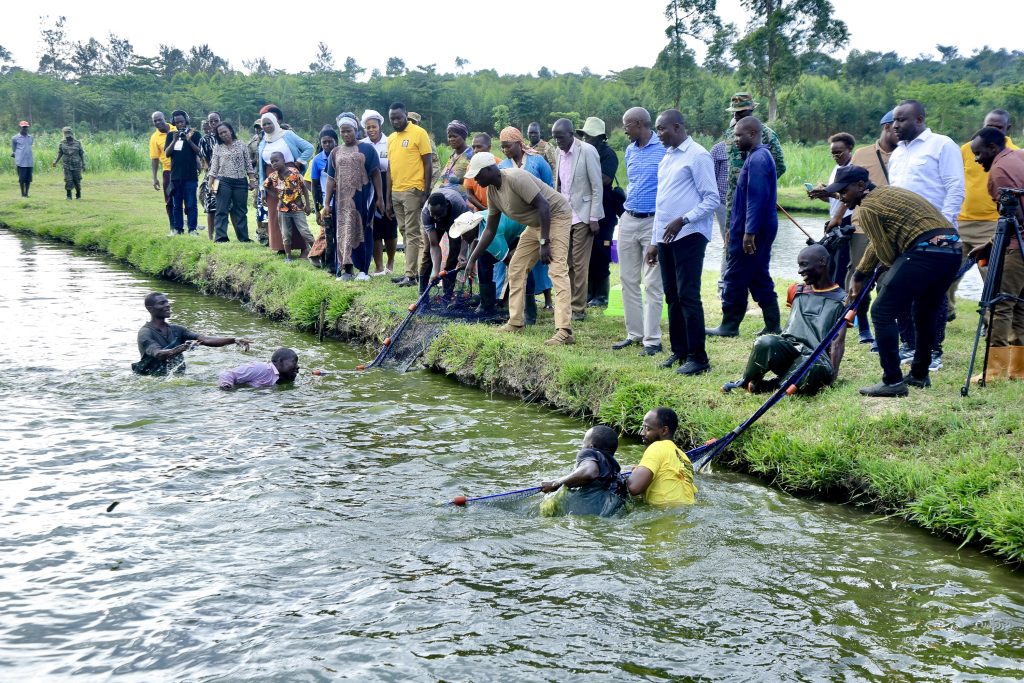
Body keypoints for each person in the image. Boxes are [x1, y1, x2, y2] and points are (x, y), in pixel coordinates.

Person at [836, 166, 962, 397]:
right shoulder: (889, 194)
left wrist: (877, 273)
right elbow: (877, 242)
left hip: (924, 251)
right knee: (924, 312)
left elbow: (886, 253)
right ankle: (919, 374)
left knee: (882, 311)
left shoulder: (869, 208)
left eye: (844, 191)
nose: (841, 197)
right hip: (952, 249)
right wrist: (859, 274)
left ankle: (893, 381)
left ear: (861, 186)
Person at [463, 152, 576, 345]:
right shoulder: (492, 192)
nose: (475, 179)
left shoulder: (516, 178)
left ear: (490, 170)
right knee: (515, 267)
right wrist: (472, 259)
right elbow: (489, 230)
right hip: (536, 224)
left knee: (557, 270)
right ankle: (515, 322)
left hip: (555, 217)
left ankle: (564, 331)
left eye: (478, 175)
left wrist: (544, 242)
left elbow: (544, 207)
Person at [889, 99, 965, 372]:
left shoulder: (942, 145)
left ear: (920, 119)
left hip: (935, 233)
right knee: (900, 290)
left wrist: (944, 229)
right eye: (895, 120)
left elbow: (955, 188)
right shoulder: (898, 152)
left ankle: (932, 352)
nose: (895, 125)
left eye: (902, 120)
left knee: (932, 295)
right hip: (902, 233)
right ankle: (909, 345)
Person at [644, 110, 719, 376]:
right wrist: (654, 241)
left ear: (677, 127)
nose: (658, 134)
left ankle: (699, 357)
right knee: (672, 296)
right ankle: (680, 351)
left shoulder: (698, 155)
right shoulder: (667, 157)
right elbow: (661, 203)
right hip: (666, 237)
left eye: (661, 129)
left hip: (689, 235)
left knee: (688, 296)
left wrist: (684, 220)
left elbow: (712, 199)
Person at [722, 244, 847, 395]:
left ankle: (771, 386)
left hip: (816, 360)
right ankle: (745, 381)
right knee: (765, 341)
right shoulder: (796, 290)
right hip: (788, 351)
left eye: (804, 265)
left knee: (812, 365)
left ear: (822, 262)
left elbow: (838, 342)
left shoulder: (843, 300)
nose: (800, 271)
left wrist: (832, 377)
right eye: (799, 265)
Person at [707, 117, 781, 338]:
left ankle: (729, 325)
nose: (735, 139)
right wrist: (733, 227)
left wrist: (749, 232)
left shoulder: (758, 159)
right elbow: (743, 200)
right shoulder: (756, 156)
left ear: (752, 133)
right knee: (758, 275)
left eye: (739, 135)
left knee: (735, 275)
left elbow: (756, 198)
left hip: (754, 229)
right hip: (751, 226)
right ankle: (773, 324)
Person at [966, 126, 1024, 380]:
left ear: (992, 148)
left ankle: (994, 371)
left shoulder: (998, 171)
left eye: (979, 154)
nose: (977, 160)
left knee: (999, 305)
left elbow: (1014, 218)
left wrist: (995, 243)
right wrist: (990, 243)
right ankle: (1019, 369)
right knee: (1020, 305)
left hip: (1015, 248)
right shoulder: (1019, 156)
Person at [951, 110, 1018, 311]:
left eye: (997, 127)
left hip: (992, 224)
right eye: (988, 125)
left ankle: (990, 319)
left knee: (992, 277)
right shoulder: (967, 150)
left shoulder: (1014, 154)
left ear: (1007, 129)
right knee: (948, 270)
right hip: (961, 221)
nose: (991, 130)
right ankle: (945, 312)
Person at [614, 107, 666, 356]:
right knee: (627, 279)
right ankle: (634, 333)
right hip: (629, 217)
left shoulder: (664, 148)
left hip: (653, 221)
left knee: (653, 282)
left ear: (638, 123)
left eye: (626, 125)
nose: (624, 129)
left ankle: (652, 340)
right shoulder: (630, 149)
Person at [845, 110, 899, 348]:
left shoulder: (908, 154)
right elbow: (847, 189)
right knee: (860, 276)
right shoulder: (863, 153)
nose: (900, 132)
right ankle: (863, 326)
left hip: (895, 229)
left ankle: (883, 331)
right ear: (887, 127)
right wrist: (839, 218)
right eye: (896, 126)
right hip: (862, 226)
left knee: (888, 281)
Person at [498, 126, 555, 322]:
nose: (505, 150)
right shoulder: (503, 165)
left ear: (518, 143)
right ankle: (517, 307)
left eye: (508, 146)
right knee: (517, 263)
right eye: (502, 147)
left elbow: (549, 188)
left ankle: (547, 299)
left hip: (538, 218)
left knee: (541, 261)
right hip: (515, 220)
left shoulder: (538, 162)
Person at [552, 118, 604, 322]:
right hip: (564, 215)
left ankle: (579, 309)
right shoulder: (558, 152)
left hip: (583, 214)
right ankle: (570, 303)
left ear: (571, 134)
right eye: (555, 138)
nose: (558, 142)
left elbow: (597, 185)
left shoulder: (587, 150)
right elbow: (559, 185)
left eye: (561, 137)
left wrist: (594, 217)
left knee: (580, 263)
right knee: (567, 262)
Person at [323, 115, 384, 280]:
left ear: (356, 131)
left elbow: (376, 174)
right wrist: (326, 203)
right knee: (343, 231)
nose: (346, 135)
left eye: (349, 131)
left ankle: (363, 270)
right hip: (342, 201)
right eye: (343, 132)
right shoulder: (335, 152)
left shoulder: (367, 149)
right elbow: (330, 179)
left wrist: (380, 197)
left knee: (363, 230)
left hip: (363, 198)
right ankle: (346, 269)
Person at [133, 292, 250, 376]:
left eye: (167, 302)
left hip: (176, 377)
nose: (167, 305)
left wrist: (234, 340)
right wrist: (182, 348)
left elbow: (205, 340)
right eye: (162, 303)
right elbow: (159, 354)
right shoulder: (145, 333)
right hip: (152, 379)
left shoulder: (177, 330)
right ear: (150, 308)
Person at [385, 102, 433, 287]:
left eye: (398, 117)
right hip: (396, 191)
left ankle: (411, 275)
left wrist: (425, 192)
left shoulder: (419, 133)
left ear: (406, 115)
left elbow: (427, 163)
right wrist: (389, 196)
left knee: (412, 232)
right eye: (392, 119)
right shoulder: (391, 138)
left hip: (413, 190)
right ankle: (411, 271)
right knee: (404, 231)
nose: (395, 121)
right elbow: (390, 168)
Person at [257, 110, 315, 255]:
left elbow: (309, 147)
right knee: (276, 214)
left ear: (276, 123)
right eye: (264, 124)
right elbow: (261, 167)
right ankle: (281, 247)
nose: (267, 126)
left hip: (290, 179)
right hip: (272, 181)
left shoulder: (287, 135)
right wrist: (262, 189)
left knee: (296, 211)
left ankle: (303, 248)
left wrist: (300, 162)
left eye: (269, 123)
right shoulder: (263, 141)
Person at [539, 425, 626, 517]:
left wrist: (555, 484)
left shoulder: (589, 452)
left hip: (590, 511)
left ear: (591, 446)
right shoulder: (615, 468)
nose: (582, 447)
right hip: (613, 512)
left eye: (584, 443)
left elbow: (590, 472)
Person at [722, 93, 786, 215]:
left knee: (755, 232)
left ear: (751, 110)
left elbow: (780, 166)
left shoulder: (767, 135)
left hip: (757, 199)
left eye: (740, 112)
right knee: (731, 233)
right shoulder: (730, 134)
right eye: (734, 112)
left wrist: (760, 183)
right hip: (734, 200)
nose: (736, 115)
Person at [581, 119, 620, 308]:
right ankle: (588, 292)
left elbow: (605, 179)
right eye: (584, 135)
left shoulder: (608, 154)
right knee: (587, 252)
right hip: (586, 210)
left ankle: (602, 295)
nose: (586, 139)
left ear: (599, 137)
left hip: (605, 212)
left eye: (589, 135)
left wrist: (583, 178)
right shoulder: (583, 153)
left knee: (602, 252)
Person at [808, 132, 856, 285]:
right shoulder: (837, 168)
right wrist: (820, 194)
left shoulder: (854, 169)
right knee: (832, 264)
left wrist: (838, 218)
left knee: (843, 265)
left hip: (847, 220)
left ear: (850, 148)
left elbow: (849, 198)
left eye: (839, 152)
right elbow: (832, 198)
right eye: (833, 153)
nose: (836, 156)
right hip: (835, 220)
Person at [625, 408, 698, 507]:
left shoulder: (656, 447)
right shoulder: (683, 457)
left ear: (664, 430)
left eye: (647, 428)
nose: (642, 433)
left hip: (665, 515)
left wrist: (635, 473)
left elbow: (634, 488)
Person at [360, 110, 398, 276]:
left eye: (373, 126)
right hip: (369, 186)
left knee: (389, 224)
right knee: (373, 226)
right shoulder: (361, 144)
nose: (371, 130)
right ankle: (378, 265)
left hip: (388, 183)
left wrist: (387, 197)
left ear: (380, 126)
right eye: (368, 127)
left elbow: (392, 168)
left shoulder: (390, 141)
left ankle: (390, 261)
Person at [207, 122, 256, 243]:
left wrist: (252, 180)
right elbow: (214, 167)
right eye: (220, 133)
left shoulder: (241, 145)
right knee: (221, 209)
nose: (223, 135)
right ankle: (221, 237)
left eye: (225, 132)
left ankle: (243, 238)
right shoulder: (218, 147)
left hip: (240, 182)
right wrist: (210, 184)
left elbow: (248, 164)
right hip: (223, 181)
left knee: (240, 210)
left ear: (231, 131)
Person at [420, 187, 470, 299]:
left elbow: (467, 235)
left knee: (455, 252)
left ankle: (447, 294)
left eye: (439, 214)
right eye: (434, 215)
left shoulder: (460, 208)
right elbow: (434, 245)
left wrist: (462, 253)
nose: (436, 218)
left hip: (454, 222)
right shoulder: (426, 214)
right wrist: (435, 271)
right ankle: (422, 295)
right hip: (437, 225)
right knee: (428, 252)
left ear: (446, 206)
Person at [265, 151, 315, 261]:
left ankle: (317, 253)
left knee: (305, 232)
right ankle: (288, 256)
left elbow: (304, 188)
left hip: (297, 208)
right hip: (282, 210)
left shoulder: (294, 173)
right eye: (272, 162)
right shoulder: (273, 176)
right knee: (286, 234)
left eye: (277, 160)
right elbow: (266, 186)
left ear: (283, 161)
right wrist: (274, 195)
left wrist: (307, 204)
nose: (274, 164)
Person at [164, 110, 203, 236]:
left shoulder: (195, 134)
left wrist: (189, 140)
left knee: (191, 203)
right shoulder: (171, 135)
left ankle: (192, 229)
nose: (180, 124)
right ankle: (178, 229)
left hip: (190, 175)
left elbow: (200, 152)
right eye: (176, 123)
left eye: (181, 121)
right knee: (176, 204)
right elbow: (167, 153)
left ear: (186, 120)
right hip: (175, 176)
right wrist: (174, 140)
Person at [218, 348, 299, 389]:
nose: (297, 366)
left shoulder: (280, 376)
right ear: (280, 361)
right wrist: (226, 388)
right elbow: (228, 374)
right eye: (294, 362)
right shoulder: (262, 368)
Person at [150, 112, 177, 232]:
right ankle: (172, 227)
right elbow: (154, 159)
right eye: (155, 121)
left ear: (164, 118)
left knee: (187, 198)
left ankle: (192, 225)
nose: (157, 123)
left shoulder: (175, 129)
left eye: (159, 119)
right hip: (168, 171)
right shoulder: (154, 138)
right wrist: (154, 178)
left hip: (182, 169)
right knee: (169, 199)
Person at [198, 112, 222, 239]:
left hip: (228, 176)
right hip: (213, 176)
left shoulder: (226, 135)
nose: (213, 123)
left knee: (228, 206)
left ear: (220, 120)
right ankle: (210, 236)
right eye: (211, 121)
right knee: (212, 205)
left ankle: (223, 234)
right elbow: (205, 162)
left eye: (216, 121)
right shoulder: (205, 140)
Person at [710, 140, 729, 292]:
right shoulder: (718, 149)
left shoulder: (755, 147)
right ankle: (723, 286)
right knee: (729, 243)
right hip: (723, 203)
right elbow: (710, 178)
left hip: (749, 205)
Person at [247, 119, 269, 245]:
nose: (258, 129)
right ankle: (261, 234)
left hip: (271, 176)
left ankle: (271, 233)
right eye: (256, 127)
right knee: (259, 205)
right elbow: (248, 161)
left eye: (260, 127)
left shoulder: (273, 139)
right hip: (258, 178)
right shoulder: (252, 142)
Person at [436, 120, 472, 191]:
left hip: (464, 199)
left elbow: (473, 182)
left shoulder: (471, 155)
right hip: (447, 197)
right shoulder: (452, 156)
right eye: (449, 136)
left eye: (455, 136)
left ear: (463, 136)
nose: (451, 139)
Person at [52, 126, 85, 200]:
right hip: (66, 165)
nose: (68, 137)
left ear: (71, 134)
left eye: (69, 135)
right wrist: (55, 162)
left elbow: (81, 154)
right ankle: (69, 196)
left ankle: (78, 195)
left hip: (76, 165)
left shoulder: (77, 143)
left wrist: (83, 164)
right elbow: (60, 153)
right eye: (66, 135)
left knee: (77, 180)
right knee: (68, 180)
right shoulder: (62, 143)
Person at [463, 133, 493, 211]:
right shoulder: (470, 167)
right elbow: (469, 194)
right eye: (473, 147)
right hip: (480, 210)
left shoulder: (499, 164)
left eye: (479, 147)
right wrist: (484, 209)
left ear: (489, 147)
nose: (475, 150)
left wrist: (493, 211)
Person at [11, 121, 34, 198]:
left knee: (28, 179)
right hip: (21, 162)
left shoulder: (30, 137)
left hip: (29, 161)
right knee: (22, 179)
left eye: (26, 127)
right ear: (20, 127)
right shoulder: (15, 138)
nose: (25, 128)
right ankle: (22, 194)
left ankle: (26, 194)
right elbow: (14, 150)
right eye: (23, 127)